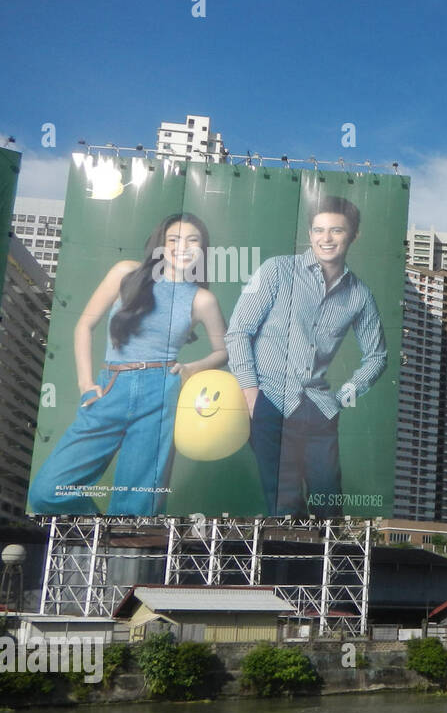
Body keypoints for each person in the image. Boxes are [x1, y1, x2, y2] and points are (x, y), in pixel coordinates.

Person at [28, 213, 228, 516]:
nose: (182, 247)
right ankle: (98, 527)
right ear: (161, 244)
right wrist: (85, 384)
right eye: (173, 239)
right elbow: (83, 326)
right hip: (110, 387)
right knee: (46, 492)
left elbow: (223, 352)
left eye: (193, 240)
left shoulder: (202, 300)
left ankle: (119, 553)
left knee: (136, 509)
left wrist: (191, 368)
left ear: (203, 249)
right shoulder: (126, 273)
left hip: (160, 393)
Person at [225, 194, 387, 518]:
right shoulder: (276, 270)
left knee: (329, 508)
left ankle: (323, 569)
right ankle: (280, 568)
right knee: (283, 505)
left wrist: (340, 398)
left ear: (354, 235)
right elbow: (238, 332)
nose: (326, 238)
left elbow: (377, 356)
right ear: (310, 233)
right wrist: (251, 394)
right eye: (318, 230)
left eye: (336, 231)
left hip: (318, 409)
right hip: (269, 401)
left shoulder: (360, 294)